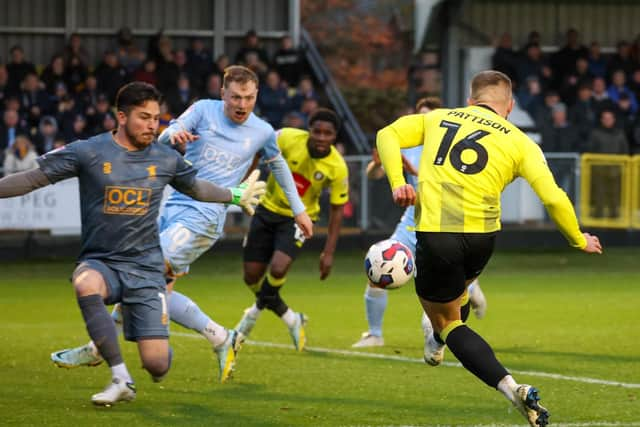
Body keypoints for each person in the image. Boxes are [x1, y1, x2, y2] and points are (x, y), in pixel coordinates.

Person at [0, 81, 267, 406]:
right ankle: (120, 377)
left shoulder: (165, 158)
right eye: (144, 117)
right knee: (86, 283)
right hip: (102, 261)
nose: (153, 125)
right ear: (121, 116)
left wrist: (234, 195)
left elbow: (197, 188)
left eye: (156, 118)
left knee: (157, 365)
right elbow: (30, 179)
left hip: (146, 270)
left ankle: (190, 338)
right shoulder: (89, 151)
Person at [50, 66, 313, 382]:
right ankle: (219, 337)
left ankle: (97, 347)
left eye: (248, 98)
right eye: (235, 98)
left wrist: (299, 211)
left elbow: (279, 167)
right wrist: (172, 135)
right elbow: (165, 134)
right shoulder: (204, 110)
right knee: (151, 285)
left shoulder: (262, 131)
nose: (241, 105)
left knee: (139, 273)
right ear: (223, 95)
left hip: (203, 220)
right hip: (169, 208)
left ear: (256, 96)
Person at [376, 70, 602, 427]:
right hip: (483, 239)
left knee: (448, 322)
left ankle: (511, 388)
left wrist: (398, 182)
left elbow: (386, 134)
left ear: (471, 100)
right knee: (459, 297)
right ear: (509, 106)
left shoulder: (438, 117)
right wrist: (578, 238)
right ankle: (440, 333)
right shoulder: (522, 142)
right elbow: (553, 197)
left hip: (438, 233)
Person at [352, 97, 487, 349]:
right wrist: (378, 163)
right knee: (379, 266)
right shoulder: (407, 143)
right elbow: (374, 175)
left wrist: (414, 173)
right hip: (412, 221)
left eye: (432, 114)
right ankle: (375, 333)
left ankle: (469, 293)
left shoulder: (455, 148)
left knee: (448, 286)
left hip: (445, 222)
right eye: (423, 115)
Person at [235, 108, 349, 351]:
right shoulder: (286, 137)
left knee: (278, 267)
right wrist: (245, 182)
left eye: (327, 133)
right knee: (251, 276)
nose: (320, 137)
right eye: (316, 131)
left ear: (335, 136)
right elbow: (258, 148)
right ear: (309, 129)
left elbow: (338, 210)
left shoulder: (337, 167)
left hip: (299, 220)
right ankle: (290, 318)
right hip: (266, 209)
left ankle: (252, 315)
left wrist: (328, 253)